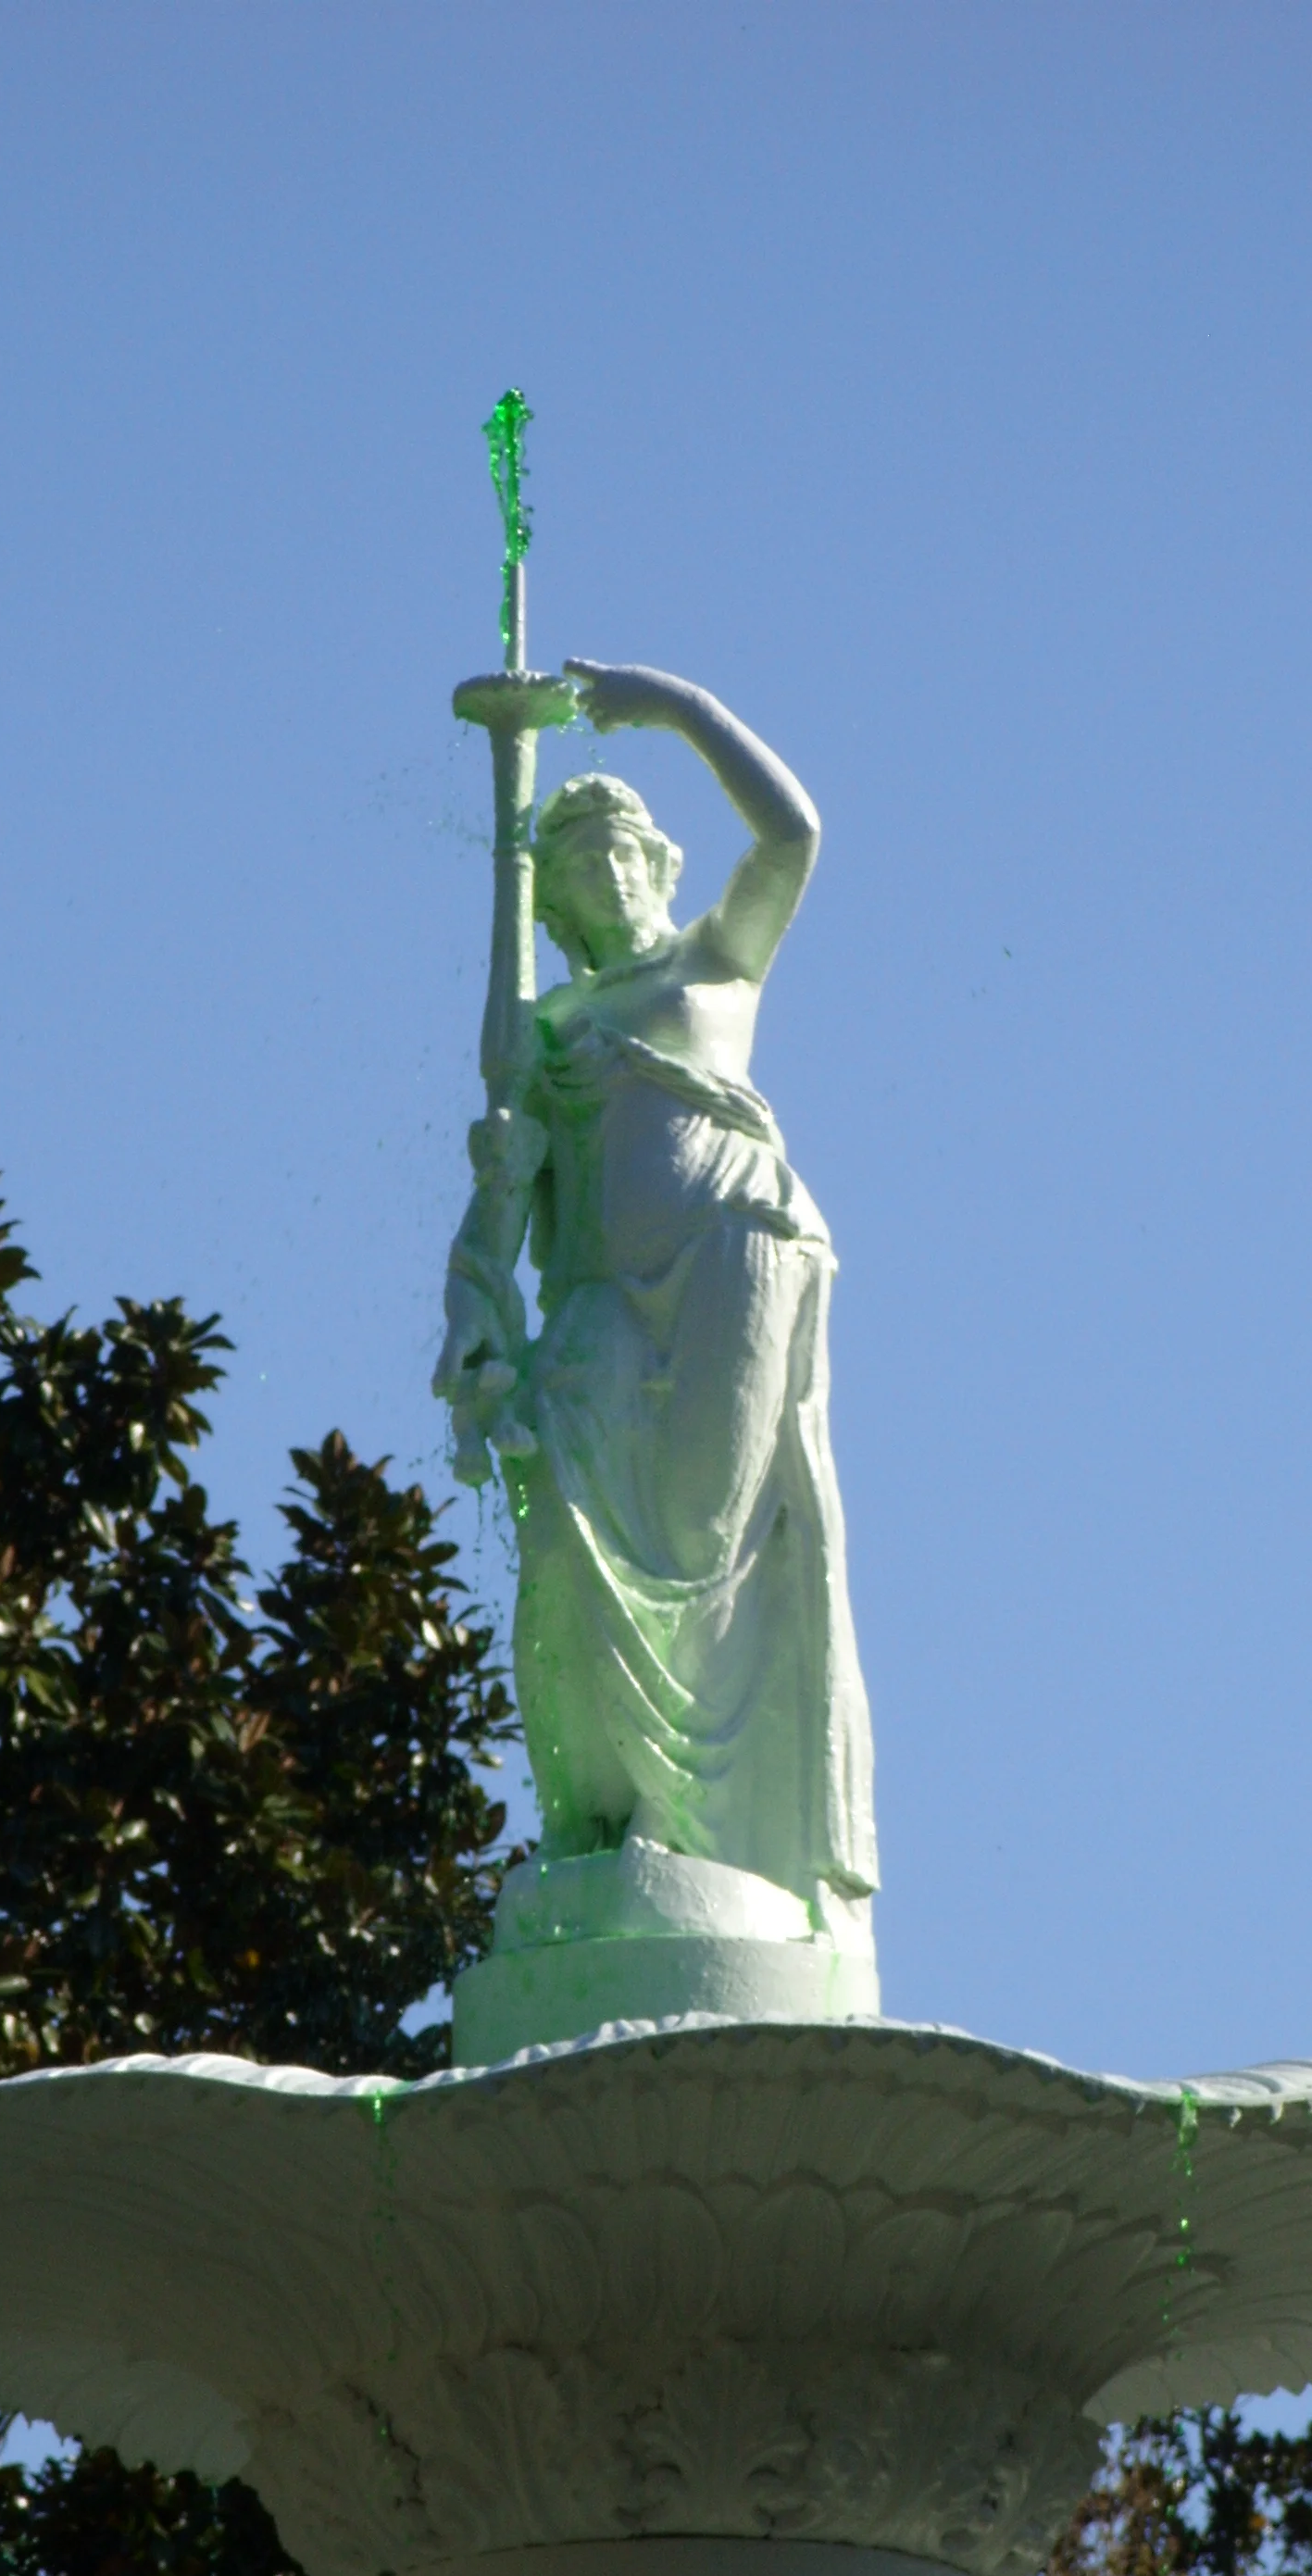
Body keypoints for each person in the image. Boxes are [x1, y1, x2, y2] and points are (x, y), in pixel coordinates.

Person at [434, 661, 876, 1940]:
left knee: (704, 1532)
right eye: (573, 865)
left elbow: (794, 831)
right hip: (599, 1299)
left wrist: (672, 704)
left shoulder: (719, 962)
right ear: (553, 901)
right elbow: (505, 1184)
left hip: (740, 1252)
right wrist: (471, 1305)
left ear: (659, 863)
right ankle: (614, 1815)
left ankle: (723, 1839)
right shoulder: (550, 1027)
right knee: (567, 1523)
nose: (604, 877)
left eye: (621, 852)